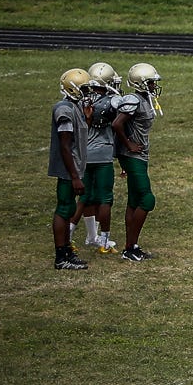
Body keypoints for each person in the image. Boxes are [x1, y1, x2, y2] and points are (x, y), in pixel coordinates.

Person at [110, 62, 164, 262]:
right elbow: (117, 124)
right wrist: (129, 144)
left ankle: (130, 247)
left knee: (134, 200)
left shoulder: (143, 98)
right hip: (133, 155)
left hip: (138, 155)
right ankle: (130, 246)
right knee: (147, 199)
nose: (153, 86)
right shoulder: (133, 99)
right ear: (140, 83)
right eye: (150, 82)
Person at [78, 61, 121, 255]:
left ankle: (85, 236)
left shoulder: (79, 99)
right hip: (103, 153)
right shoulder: (113, 101)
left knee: (85, 197)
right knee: (105, 198)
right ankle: (104, 240)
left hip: (84, 153)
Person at [50, 69, 91, 270]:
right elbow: (65, 145)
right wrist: (74, 176)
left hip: (74, 167)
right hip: (68, 169)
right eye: (84, 88)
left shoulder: (75, 106)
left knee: (69, 209)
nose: (87, 91)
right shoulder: (64, 109)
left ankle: (67, 251)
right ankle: (61, 256)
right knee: (64, 208)